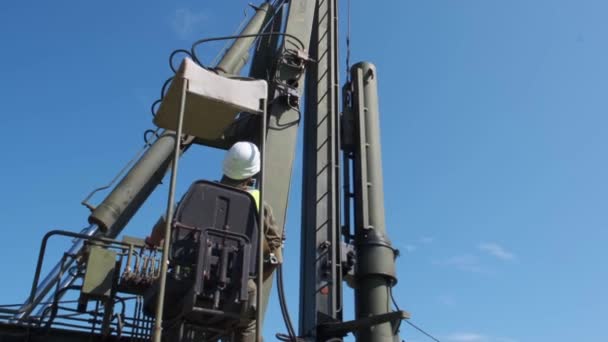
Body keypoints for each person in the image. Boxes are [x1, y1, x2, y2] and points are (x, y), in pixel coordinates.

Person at [145, 141, 282, 342]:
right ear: (253, 174)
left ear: (225, 165)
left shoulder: (200, 192)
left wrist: (153, 241)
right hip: (236, 291)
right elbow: (275, 256)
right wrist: (249, 280)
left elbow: (166, 221)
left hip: (187, 282)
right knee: (248, 323)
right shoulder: (259, 203)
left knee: (171, 319)